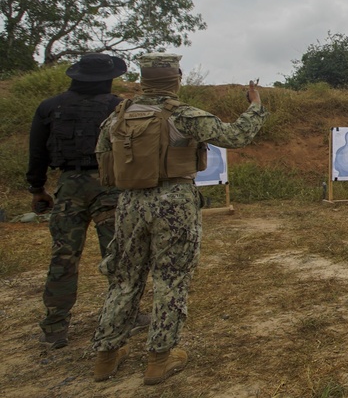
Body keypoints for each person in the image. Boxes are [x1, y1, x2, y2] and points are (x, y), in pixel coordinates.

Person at [91, 53, 268, 385]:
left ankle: (106, 356)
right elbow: (236, 137)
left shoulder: (116, 117)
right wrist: (255, 104)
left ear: (143, 80)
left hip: (129, 203)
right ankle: (159, 359)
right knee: (170, 280)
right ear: (176, 80)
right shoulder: (184, 116)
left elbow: (103, 160)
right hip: (174, 203)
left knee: (124, 278)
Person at [27, 53, 139, 349]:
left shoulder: (49, 107)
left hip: (69, 186)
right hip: (110, 186)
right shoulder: (119, 107)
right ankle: (125, 314)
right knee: (119, 254)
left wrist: (37, 189)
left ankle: (54, 326)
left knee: (63, 256)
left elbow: (37, 153)